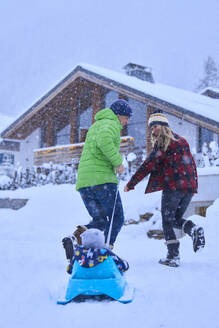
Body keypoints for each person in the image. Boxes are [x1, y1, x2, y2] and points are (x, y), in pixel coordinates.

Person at [124, 110, 205, 267]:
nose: (153, 130)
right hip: (187, 188)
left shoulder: (163, 143)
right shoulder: (182, 141)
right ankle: (194, 230)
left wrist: (131, 183)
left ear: (163, 126)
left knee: (167, 221)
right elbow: (192, 165)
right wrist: (194, 187)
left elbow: (148, 165)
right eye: (151, 127)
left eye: (155, 126)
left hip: (173, 187)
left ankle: (173, 256)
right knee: (175, 220)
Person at [62, 99, 132, 258]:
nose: (127, 122)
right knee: (117, 218)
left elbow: (100, 142)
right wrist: (118, 162)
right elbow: (104, 141)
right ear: (118, 114)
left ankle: (74, 238)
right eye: (126, 117)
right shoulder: (110, 124)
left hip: (85, 183)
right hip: (102, 181)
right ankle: (106, 250)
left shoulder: (97, 125)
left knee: (100, 221)